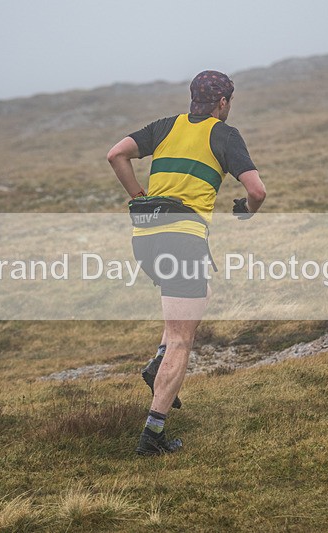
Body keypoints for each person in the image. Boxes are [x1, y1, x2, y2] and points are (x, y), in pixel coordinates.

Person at [107, 70, 266, 456]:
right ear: (223, 103)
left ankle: (157, 364)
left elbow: (116, 154)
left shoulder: (165, 127)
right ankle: (153, 436)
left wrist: (137, 195)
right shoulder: (225, 135)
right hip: (182, 241)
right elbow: (257, 191)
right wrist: (246, 210)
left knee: (196, 297)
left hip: (144, 239)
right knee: (182, 337)